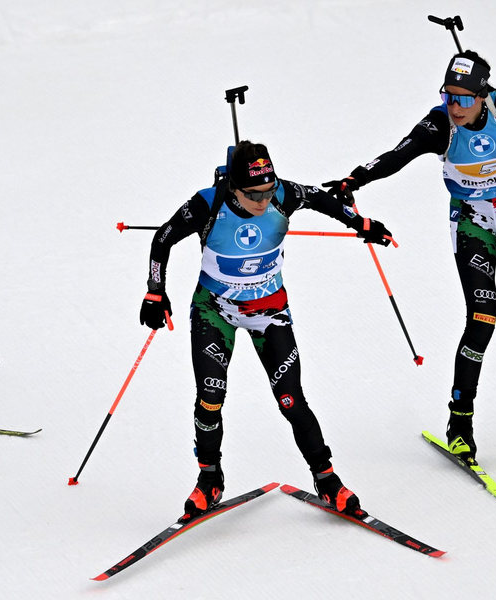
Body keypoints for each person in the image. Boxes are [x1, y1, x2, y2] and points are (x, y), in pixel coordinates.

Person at [323, 50, 496, 458]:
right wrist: (355, 179)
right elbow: (398, 155)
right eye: (449, 96)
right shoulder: (440, 124)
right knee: (483, 318)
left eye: (464, 99)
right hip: (473, 223)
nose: (455, 107)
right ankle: (460, 420)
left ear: (484, 95)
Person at [139, 141, 392, 520]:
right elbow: (162, 239)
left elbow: (323, 200)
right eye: (253, 194)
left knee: (291, 399)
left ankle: (326, 479)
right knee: (210, 397)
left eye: (268, 190)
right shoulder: (207, 204)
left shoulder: (283, 193)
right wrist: (154, 292)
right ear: (234, 188)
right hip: (215, 312)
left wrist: (362, 224)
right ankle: (209, 480)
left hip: (269, 312)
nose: (263, 200)